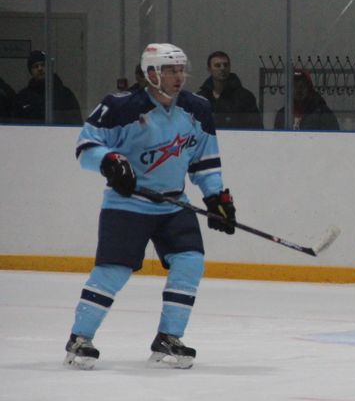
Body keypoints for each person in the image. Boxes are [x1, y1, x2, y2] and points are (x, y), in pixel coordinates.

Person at [64, 43, 237, 370]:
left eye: (181, 70)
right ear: (152, 73)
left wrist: (216, 198)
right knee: (113, 271)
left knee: (190, 262)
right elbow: (86, 147)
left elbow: (204, 161)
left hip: (174, 204)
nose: (178, 77)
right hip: (127, 204)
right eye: (170, 70)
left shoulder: (197, 108)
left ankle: (169, 337)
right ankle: (80, 338)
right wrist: (110, 161)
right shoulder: (119, 107)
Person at [12, 50, 82, 124]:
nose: (40, 68)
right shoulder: (23, 97)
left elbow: (76, 121)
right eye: (35, 66)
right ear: (31, 71)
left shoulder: (65, 94)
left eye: (43, 65)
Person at [197, 51, 263, 129]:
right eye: (217, 65)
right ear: (209, 69)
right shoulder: (201, 98)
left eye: (226, 65)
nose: (222, 68)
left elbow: (256, 128)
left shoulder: (244, 97)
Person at [274, 69, 340, 131]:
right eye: (295, 86)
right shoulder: (282, 115)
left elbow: (334, 136)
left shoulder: (323, 113)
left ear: (309, 88)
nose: (299, 90)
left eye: (302, 86)